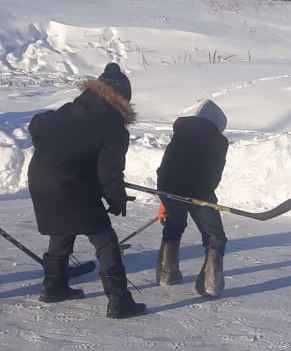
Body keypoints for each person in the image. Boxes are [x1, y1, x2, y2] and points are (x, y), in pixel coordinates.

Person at [27, 62, 146, 318]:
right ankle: (119, 300)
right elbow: (109, 171)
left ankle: (54, 287)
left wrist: (52, 153)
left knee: (62, 228)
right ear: (124, 98)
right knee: (104, 238)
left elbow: (37, 124)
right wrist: (116, 198)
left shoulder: (69, 110)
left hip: (41, 179)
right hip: (71, 185)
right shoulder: (113, 126)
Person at [155, 98, 229, 298]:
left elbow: (166, 164)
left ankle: (167, 274)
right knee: (215, 236)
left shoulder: (180, 132)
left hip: (168, 187)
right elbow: (214, 175)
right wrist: (204, 194)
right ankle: (210, 284)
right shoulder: (219, 141)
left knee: (174, 225)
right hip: (199, 191)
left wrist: (165, 195)